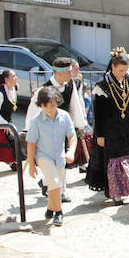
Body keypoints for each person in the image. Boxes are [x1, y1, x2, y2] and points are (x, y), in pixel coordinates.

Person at [25, 57, 88, 201]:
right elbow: (33, 112)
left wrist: (79, 125)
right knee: (49, 160)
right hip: (46, 132)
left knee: (62, 161)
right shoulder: (44, 89)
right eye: (68, 72)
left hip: (62, 128)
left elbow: (75, 104)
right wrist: (29, 131)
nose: (70, 75)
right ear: (59, 73)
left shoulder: (70, 85)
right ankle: (49, 185)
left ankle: (61, 190)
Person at [86, 49, 129, 205]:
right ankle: (115, 193)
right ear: (113, 67)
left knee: (125, 157)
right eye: (120, 70)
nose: (123, 73)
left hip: (124, 127)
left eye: (126, 70)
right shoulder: (103, 86)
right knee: (113, 160)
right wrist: (101, 135)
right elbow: (99, 113)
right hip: (109, 130)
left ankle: (124, 188)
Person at [26, 86, 77, 227]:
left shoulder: (64, 116)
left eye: (52, 105)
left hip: (60, 157)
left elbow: (72, 136)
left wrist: (71, 151)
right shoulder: (36, 121)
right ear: (41, 105)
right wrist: (31, 164)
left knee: (56, 185)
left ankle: (50, 208)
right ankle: (59, 212)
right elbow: (31, 143)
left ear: (57, 103)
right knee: (55, 182)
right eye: (46, 106)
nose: (49, 109)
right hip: (43, 156)